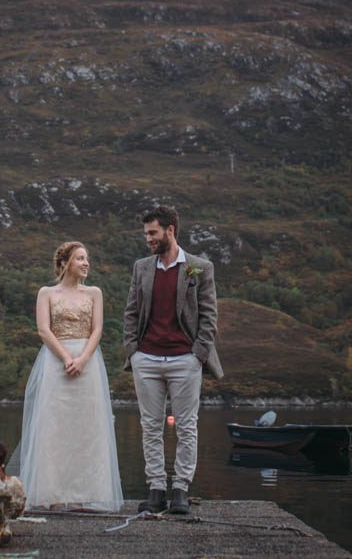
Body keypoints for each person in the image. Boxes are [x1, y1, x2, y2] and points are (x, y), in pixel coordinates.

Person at [9, 241, 123, 511]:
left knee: (87, 430)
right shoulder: (46, 293)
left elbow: (97, 330)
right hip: (56, 361)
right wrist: (66, 358)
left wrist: (82, 359)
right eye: (80, 258)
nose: (86, 263)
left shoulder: (94, 293)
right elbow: (43, 330)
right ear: (65, 263)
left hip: (88, 362)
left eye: (87, 259)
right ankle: (54, 494)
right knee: (55, 429)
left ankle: (84, 494)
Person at [123, 206, 223, 515]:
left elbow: (209, 316)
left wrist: (198, 356)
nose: (148, 239)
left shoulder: (199, 267)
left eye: (153, 233)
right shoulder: (141, 267)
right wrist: (133, 351)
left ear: (171, 230)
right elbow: (131, 312)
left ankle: (180, 490)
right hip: (147, 359)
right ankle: (155, 489)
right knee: (150, 426)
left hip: (185, 360)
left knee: (187, 427)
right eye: (146, 234)